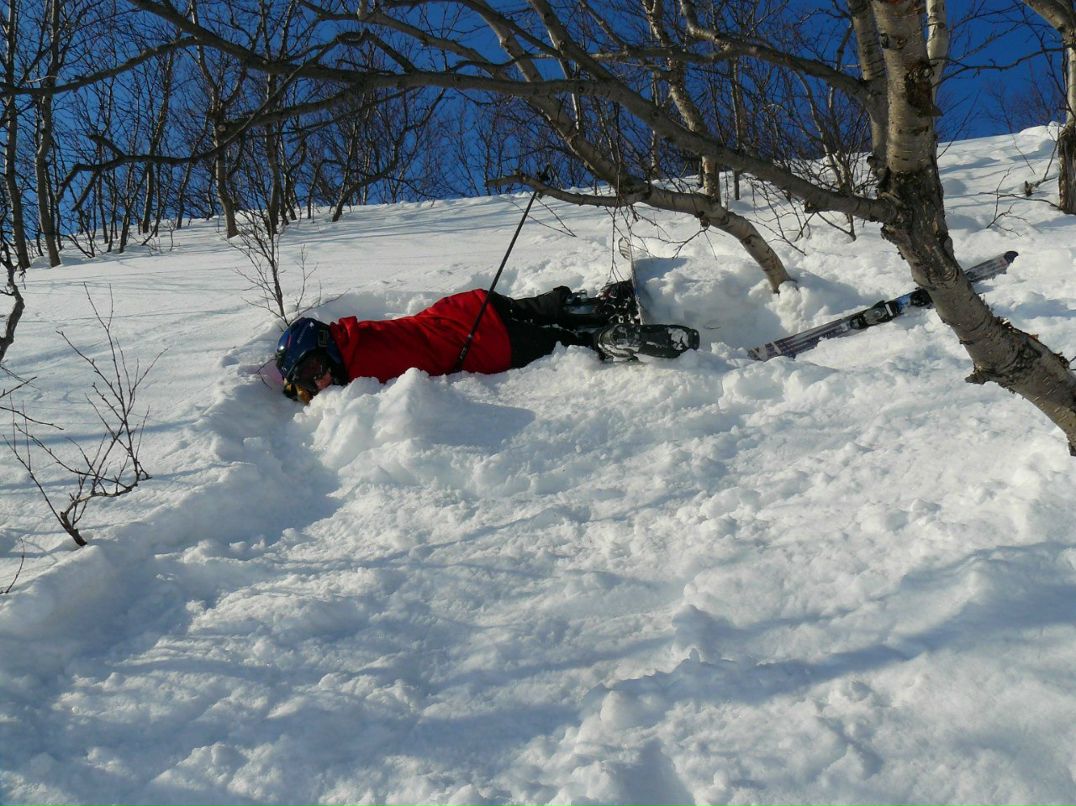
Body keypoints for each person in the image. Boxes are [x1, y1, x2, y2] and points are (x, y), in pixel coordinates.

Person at [274, 283, 699, 403]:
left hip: (483, 343)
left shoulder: (357, 372)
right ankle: (602, 304)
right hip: (467, 306)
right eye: (309, 382)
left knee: (566, 344)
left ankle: (616, 339)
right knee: (545, 308)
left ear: (325, 347)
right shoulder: (354, 334)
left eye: (314, 371)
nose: (319, 384)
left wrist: (301, 389)